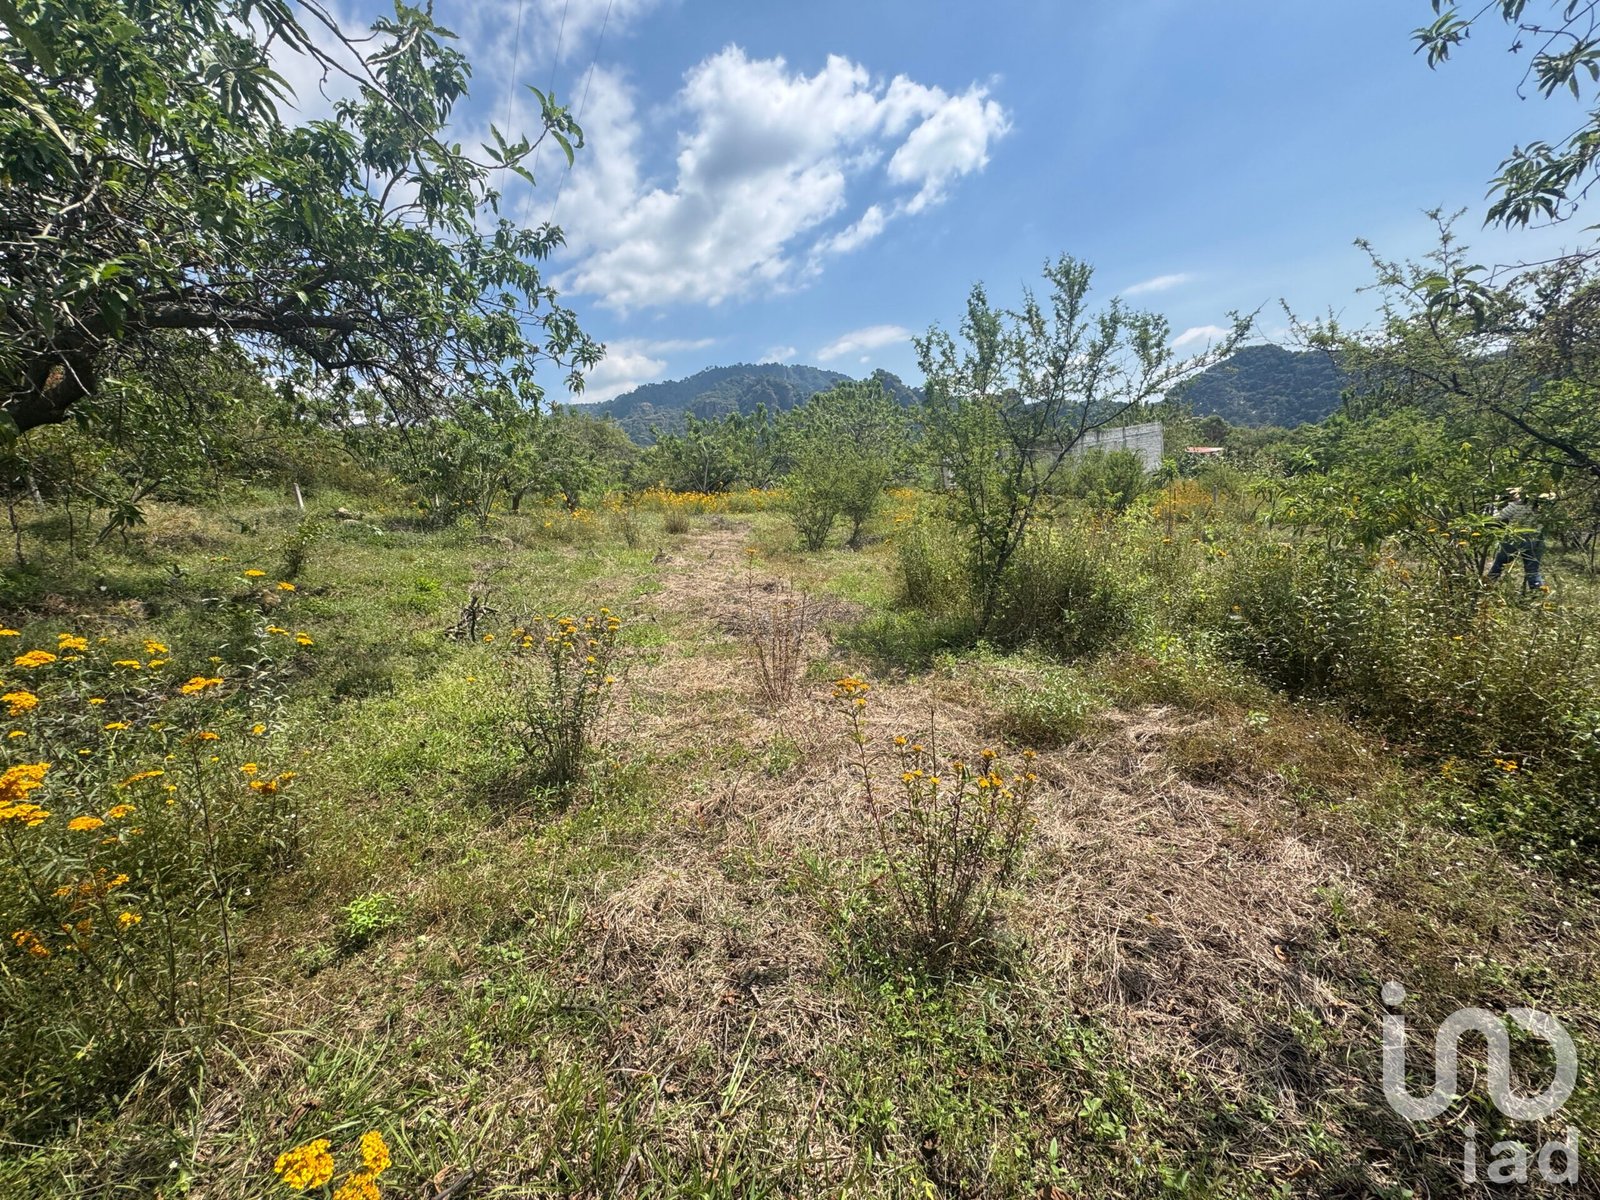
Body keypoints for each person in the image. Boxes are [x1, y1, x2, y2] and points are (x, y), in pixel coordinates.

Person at [1484, 487, 1553, 590]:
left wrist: (1493, 506)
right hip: (1535, 540)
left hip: (1514, 538)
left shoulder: (1515, 506)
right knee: (1533, 571)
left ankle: (1487, 587)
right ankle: (1537, 592)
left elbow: (1497, 518)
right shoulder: (1542, 510)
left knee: (1499, 564)